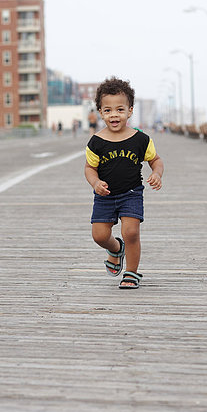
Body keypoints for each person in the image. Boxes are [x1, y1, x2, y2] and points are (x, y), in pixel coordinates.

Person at [84, 77, 164, 289]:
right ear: (100, 112)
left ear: (130, 110)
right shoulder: (96, 142)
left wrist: (157, 173)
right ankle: (115, 248)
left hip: (131, 193)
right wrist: (95, 182)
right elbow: (89, 168)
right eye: (108, 110)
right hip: (105, 195)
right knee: (99, 235)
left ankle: (131, 272)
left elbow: (156, 160)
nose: (114, 115)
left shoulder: (141, 139)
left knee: (131, 232)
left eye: (120, 109)